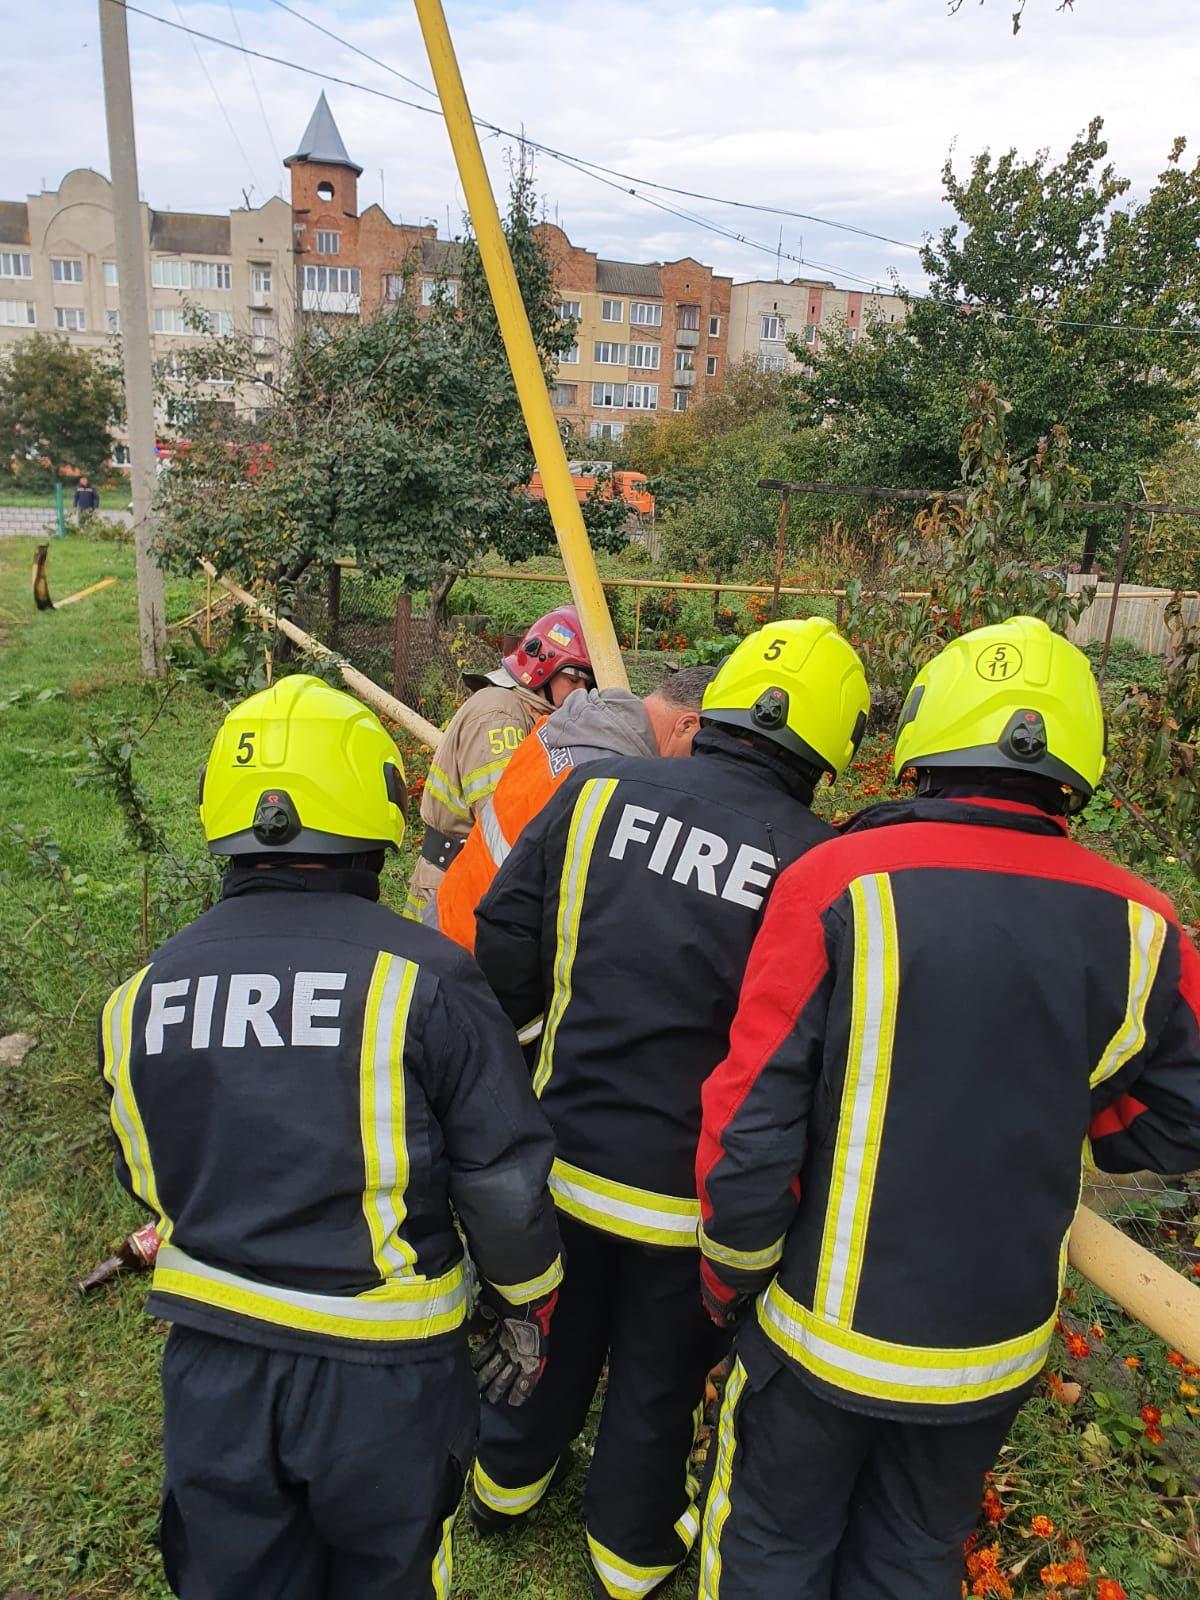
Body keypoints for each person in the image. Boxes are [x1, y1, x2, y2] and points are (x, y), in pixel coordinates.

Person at [695, 615, 1200, 1600]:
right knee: (914, 1556)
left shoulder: (837, 880)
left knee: (770, 1541)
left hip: (824, 1335)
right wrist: (1064, 1105)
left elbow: (751, 1119)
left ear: (924, 737)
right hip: (993, 1350)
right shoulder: (1146, 922)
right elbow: (1180, 1116)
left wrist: (729, 1275)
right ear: (1077, 762)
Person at [99, 673, 563, 1600]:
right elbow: (502, 1182)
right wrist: (526, 1302)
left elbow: (146, 1173)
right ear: (372, 815)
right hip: (383, 1375)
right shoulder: (429, 978)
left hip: (215, 1364)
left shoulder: (139, 996)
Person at [468, 619, 871, 1600]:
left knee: (547, 1337)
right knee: (657, 1381)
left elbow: (505, 937)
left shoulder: (600, 791)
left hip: (560, 1160)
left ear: (717, 707)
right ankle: (631, 1552)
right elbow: (815, 1052)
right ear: (828, 750)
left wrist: (539, 1063)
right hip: (694, 1199)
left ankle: (503, 1485)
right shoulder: (819, 866)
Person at [428, 665, 717, 953]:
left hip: (452, 915)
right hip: (475, 948)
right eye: (705, 749)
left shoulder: (570, 726)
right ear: (687, 725)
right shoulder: (610, 785)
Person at [404, 604, 595, 920]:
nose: (582, 693)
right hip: (454, 892)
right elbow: (505, 823)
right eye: (574, 679)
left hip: (475, 885)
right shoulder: (500, 715)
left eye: (589, 684)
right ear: (542, 668)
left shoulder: (530, 715)